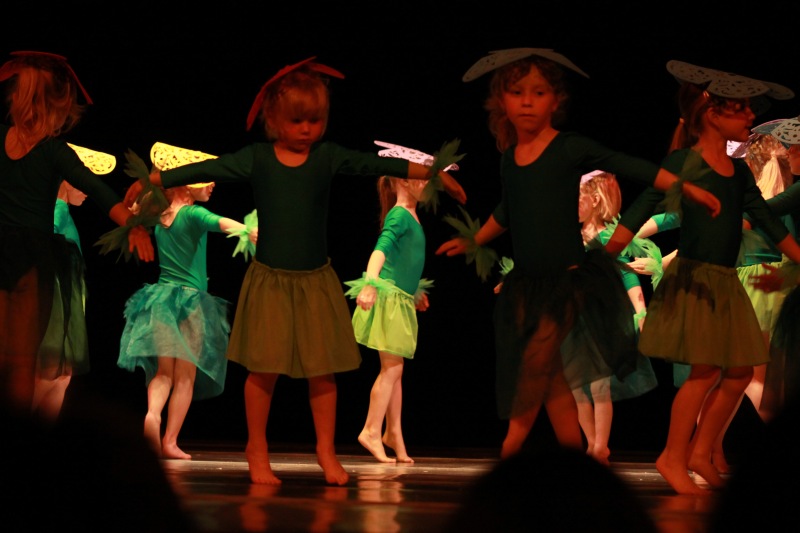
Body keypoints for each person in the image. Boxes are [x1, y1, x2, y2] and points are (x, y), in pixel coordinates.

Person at [123, 56, 466, 484]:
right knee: (263, 370)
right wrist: (151, 181)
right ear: (273, 119)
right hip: (270, 279)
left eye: (315, 120)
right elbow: (206, 169)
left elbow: (377, 164)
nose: (307, 129)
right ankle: (257, 449)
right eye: (297, 120)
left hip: (315, 279)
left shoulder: (327, 156)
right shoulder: (257, 158)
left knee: (323, 371)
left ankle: (326, 451)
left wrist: (434, 174)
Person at [435, 48, 720, 461]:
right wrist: (475, 239)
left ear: (556, 100)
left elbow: (631, 165)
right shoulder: (510, 159)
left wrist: (685, 186)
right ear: (501, 101)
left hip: (565, 283)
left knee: (534, 365)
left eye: (538, 92)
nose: (527, 101)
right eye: (517, 92)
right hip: (527, 284)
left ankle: (510, 449)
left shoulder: (569, 148)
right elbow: (508, 210)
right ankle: (576, 460)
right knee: (553, 380)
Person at [603, 60, 799, 495]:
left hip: (725, 281)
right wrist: (605, 256)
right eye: (742, 108)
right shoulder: (684, 162)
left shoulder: (738, 172)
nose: (751, 115)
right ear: (713, 113)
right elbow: (641, 209)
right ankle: (672, 457)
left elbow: (769, 222)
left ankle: (698, 452)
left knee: (739, 372)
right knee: (706, 371)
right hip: (695, 280)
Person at [0, 51, 154, 416]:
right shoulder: (52, 149)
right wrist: (132, 225)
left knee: (17, 360)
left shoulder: (54, 151)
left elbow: (98, 190)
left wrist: (132, 224)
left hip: (25, 259)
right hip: (26, 258)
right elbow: (99, 191)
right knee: (18, 360)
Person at [118, 166, 256, 460]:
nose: (212, 184)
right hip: (192, 303)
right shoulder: (193, 214)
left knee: (163, 372)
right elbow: (219, 222)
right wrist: (247, 230)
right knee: (185, 376)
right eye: (205, 180)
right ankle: (170, 441)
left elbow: (133, 209)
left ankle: (152, 414)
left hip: (161, 299)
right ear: (186, 185)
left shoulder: (161, 217)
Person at [344, 140, 459, 464]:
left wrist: (415, 292)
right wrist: (369, 284)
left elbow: (404, 260)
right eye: (423, 178)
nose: (427, 185)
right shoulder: (399, 215)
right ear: (404, 180)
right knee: (392, 369)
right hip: (390, 300)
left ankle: (393, 432)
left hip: (402, 299)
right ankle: (370, 430)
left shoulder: (410, 215)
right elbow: (380, 250)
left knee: (395, 369)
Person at [565, 170, 658, 465]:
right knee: (576, 387)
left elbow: (628, 275)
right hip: (575, 319)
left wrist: (641, 311)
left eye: (577, 199)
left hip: (605, 318)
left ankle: (600, 447)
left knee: (599, 385)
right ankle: (592, 444)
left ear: (594, 200)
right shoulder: (569, 238)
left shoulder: (610, 238)